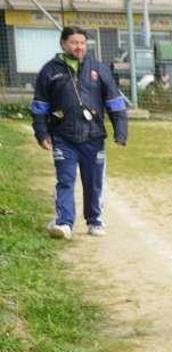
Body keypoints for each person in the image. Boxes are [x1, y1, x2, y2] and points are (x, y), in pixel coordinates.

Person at [30, 26, 128, 239]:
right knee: (65, 180)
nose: (79, 47)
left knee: (93, 181)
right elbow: (39, 107)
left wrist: (120, 131)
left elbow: (114, 101)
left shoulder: (99, 69)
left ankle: (95, 220)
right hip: (63, 137)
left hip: (93, 137)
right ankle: (64, 223)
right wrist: (42, 133)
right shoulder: (49, 71)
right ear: (63, 44)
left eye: (82, 43)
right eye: (74, 43)